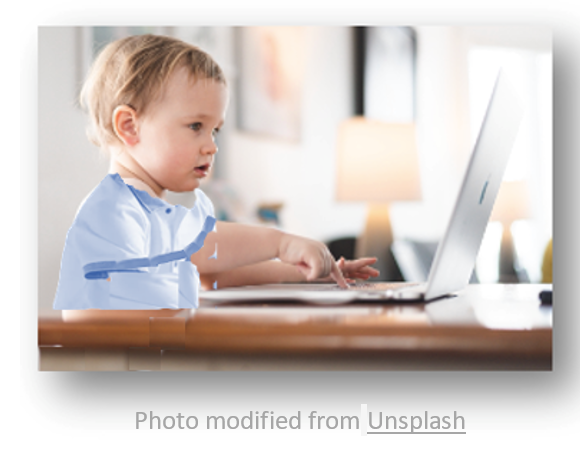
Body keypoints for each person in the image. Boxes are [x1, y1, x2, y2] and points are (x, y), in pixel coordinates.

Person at [53, 34, 378, 310]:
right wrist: (281, 242)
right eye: (195, 126)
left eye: (215, 130)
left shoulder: (155, 223)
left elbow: (215, 272)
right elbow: (202, 244)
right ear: (129, 127)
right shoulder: (115, 208)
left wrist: (306, 271)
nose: (211, 146)